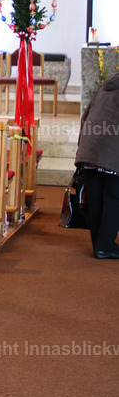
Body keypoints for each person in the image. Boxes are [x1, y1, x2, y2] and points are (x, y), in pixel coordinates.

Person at [74, 70, 119, 258]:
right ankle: (105, 246)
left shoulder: (104, 87)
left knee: (95, 198)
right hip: (111, 152)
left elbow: (85, 118)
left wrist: (80, 152)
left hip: (89, 150)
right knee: (113, 198)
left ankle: (99, 245)